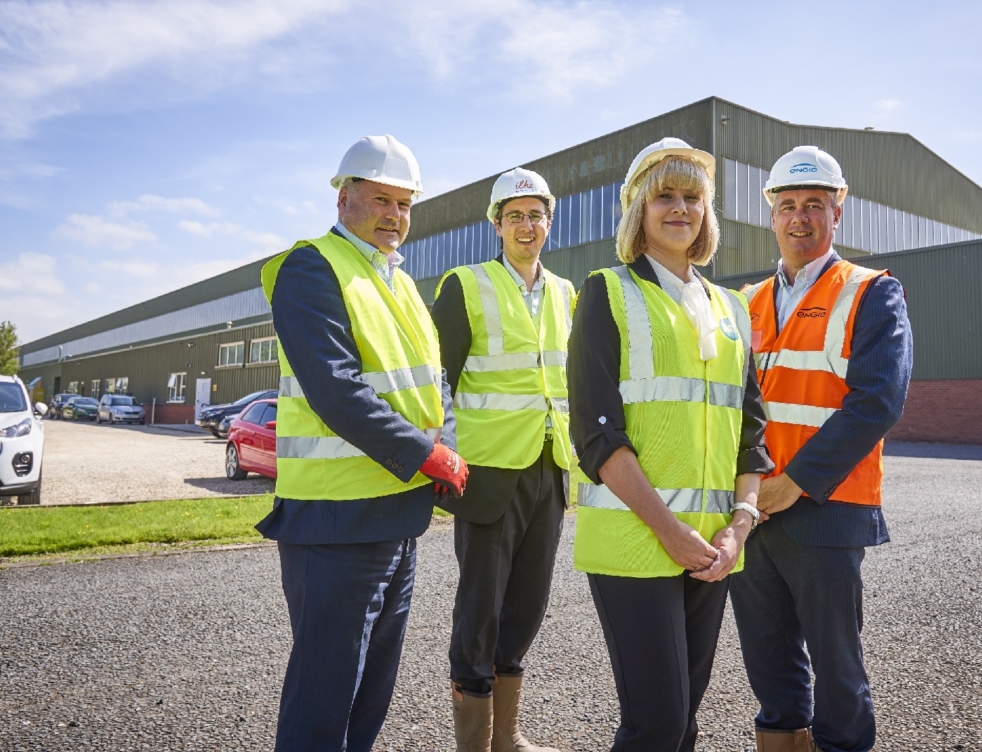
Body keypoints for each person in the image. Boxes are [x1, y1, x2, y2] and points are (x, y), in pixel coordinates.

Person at [257, 134, 470, 752]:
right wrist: (427, 455)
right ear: (344, 197)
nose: (395, 217)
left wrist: (447, 448)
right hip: (334, 520)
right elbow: (334, 387)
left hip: (396, 513)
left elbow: (434, 385)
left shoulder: (398, 282)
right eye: (382, 200)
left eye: (405, 205)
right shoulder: (311, 267)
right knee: (325, 694)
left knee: (371, 690)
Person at [568, 138, 773, 752]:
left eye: (693, 197)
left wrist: (737, 528)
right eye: (665, 196)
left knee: (682, 723)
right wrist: (669, 531)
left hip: (711, 547)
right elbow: (598, 437)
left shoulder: (732, 308)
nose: (680, 208)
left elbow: (751, 433)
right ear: (638, 210)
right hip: (636, 543)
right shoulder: (606, 293)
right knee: (654, 724)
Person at [729, 145, 913, 752]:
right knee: (771, 674)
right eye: (787, 206)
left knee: (839, 677)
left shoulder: (870, 292)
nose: (799, 218)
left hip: (826, 510)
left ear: (839, 210)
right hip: (754, 512)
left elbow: (877, 402)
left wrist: (793, 483)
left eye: (814, 205)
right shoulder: (746, 303)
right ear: (771, 215)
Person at [432, 167, 575, 752]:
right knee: (480, 610)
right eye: (514, 215)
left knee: (527, 605)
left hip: (550, 464)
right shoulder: (465, 284)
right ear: (496, 224)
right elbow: (435, 377)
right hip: (487, 470)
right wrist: (443, 452)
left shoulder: (568, 293)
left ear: (549, 222)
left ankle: (506, 739)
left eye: (535, 214)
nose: (526, 225)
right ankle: (473, 744)